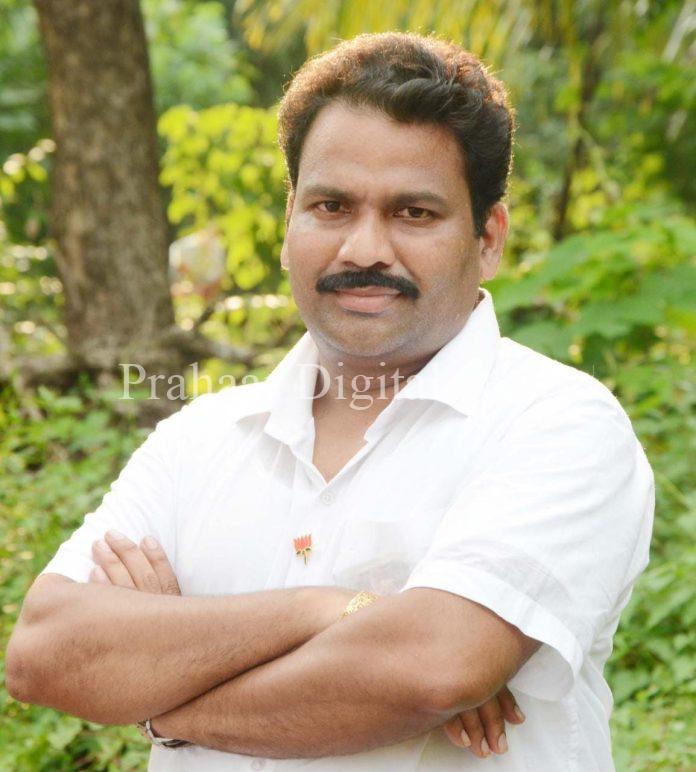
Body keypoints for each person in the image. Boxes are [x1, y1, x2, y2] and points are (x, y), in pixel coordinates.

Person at [6, 31, 654, 771]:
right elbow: (44, 652)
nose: (364, 249)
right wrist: (333, 611)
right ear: (289, 222)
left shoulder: (556, 424)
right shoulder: (200, 439)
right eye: (332, 206)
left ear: (489, 237)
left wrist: (159, 698)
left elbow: (434, 666)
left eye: (414, 213)